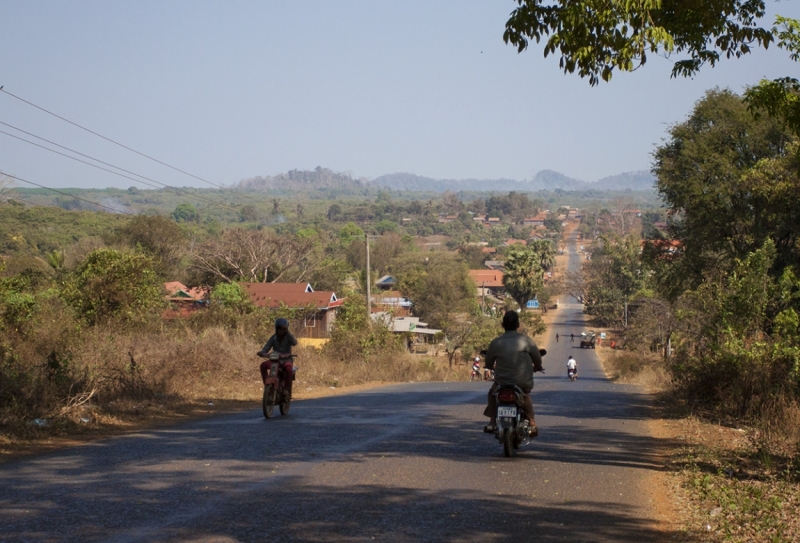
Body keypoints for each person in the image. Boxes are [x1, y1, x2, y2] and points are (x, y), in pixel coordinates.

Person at [483, 310, 544, 437]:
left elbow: (488, 362)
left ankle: (492, 421)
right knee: (525, 396)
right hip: (522, 381)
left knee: (492, 394)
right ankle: (532, 422)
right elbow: (537, 359)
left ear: (502, 325)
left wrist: (490, 366)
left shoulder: (496, 342)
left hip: (501, 382)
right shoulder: (527, 341)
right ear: (518, 324)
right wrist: (538, 367)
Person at [258, 317, 298, 398]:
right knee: (263, 365)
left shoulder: (288, 337)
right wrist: (262, 352)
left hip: (286, 360)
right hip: (275, 360)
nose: (281, 331)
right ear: (276, 329)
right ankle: (267, 386)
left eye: (283, 329)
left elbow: (294, 343)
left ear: (286, 329)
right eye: (279, 328)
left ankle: (286, 389)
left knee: (289, 369)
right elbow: (267, 347)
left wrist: (288, 332)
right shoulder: (273, 337)